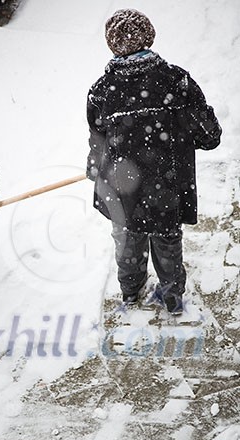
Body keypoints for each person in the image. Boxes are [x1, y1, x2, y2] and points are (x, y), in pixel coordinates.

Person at [86, 8, 222, 315]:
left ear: (112, 44)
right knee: (166, 241)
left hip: (123, 188)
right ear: (149, 36)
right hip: (166, 187)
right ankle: (172, 297)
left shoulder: (102, 91)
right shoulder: (176, 82)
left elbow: (97, 139)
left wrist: (95, 165)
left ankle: (130, 291)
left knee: (128, 238)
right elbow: (209, 135)